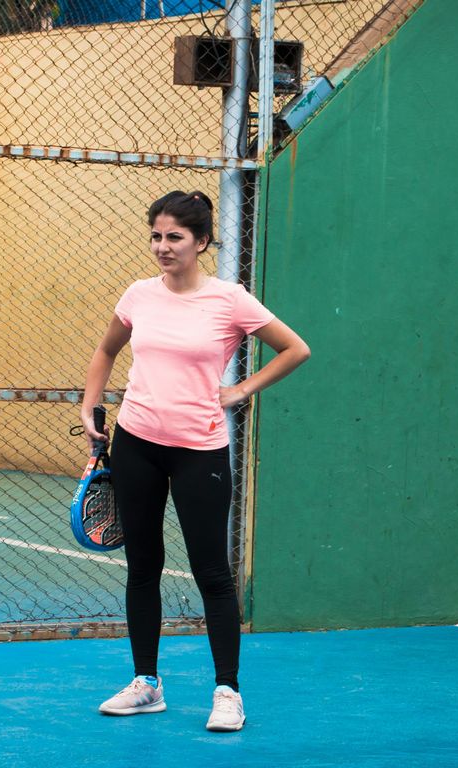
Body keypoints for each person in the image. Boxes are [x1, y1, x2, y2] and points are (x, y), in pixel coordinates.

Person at [79, 190, 311, 732]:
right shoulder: (138, 295)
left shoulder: (231, 300)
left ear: (201, 242)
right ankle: (146, 684)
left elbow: (295, 348)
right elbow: (107, 350)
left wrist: (241, 391)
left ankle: (227, 692)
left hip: (199, 451)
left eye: (175, 237)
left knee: (212, 573)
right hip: (137, 443)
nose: (162, 247)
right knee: (143, 567)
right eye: (156, 236)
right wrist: (91, 403)